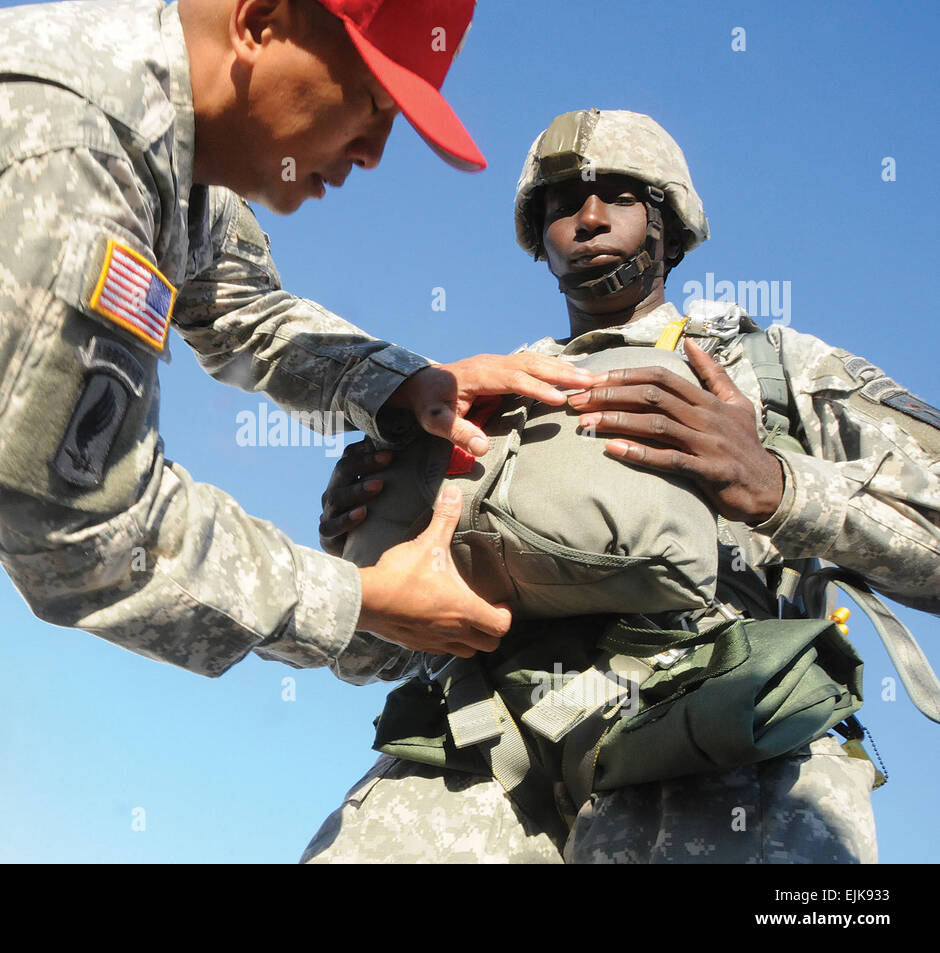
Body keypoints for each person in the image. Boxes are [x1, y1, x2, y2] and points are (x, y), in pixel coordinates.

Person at [0, 0, 598, 708]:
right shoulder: (73, 163)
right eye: (372, 101)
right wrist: (357, 601)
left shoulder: (166, 155)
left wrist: (405, 385)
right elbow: (77, 530)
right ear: (261, 22)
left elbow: (240, 308)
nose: (377, 151)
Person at [302, 108, 940, 863]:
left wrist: (779, 486)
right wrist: (357, 555)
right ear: (539, 238)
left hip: (716, 749)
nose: (590, 218)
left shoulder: (774, 369)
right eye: (563, 204)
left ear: (669, 220)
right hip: (488, 752)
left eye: (620, 196)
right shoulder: (484, 397)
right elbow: (374, 657)